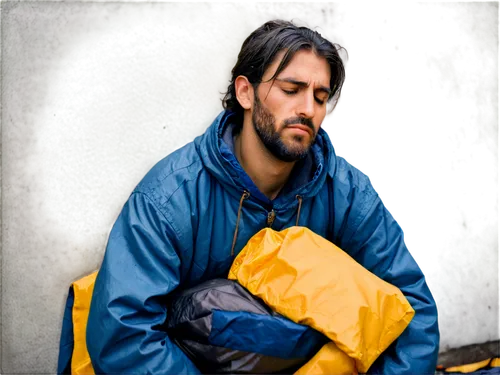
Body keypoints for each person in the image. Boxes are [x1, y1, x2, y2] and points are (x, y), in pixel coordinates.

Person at [86, 21, 440, 374]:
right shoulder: (170, 198)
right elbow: (125, 336)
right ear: (246, 93)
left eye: (320, 97)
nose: (308, 109)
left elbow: (412, 306)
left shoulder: (345, 192)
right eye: (291, 89)